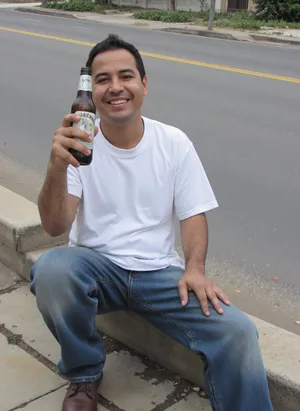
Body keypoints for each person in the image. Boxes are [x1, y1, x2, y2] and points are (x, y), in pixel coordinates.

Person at [30, 34, 273, 411]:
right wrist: (56, 167)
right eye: (102, 79)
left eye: (125, 76)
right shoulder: (81, 143)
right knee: (51, 270)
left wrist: (195, 268)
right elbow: (54, 225)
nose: (115, 88)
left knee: (238, 332)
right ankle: (83, 375)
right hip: (98, 269)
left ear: (143, 84)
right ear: (90, 91)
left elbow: (193, 212)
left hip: (159, 274)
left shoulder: (173, 142)